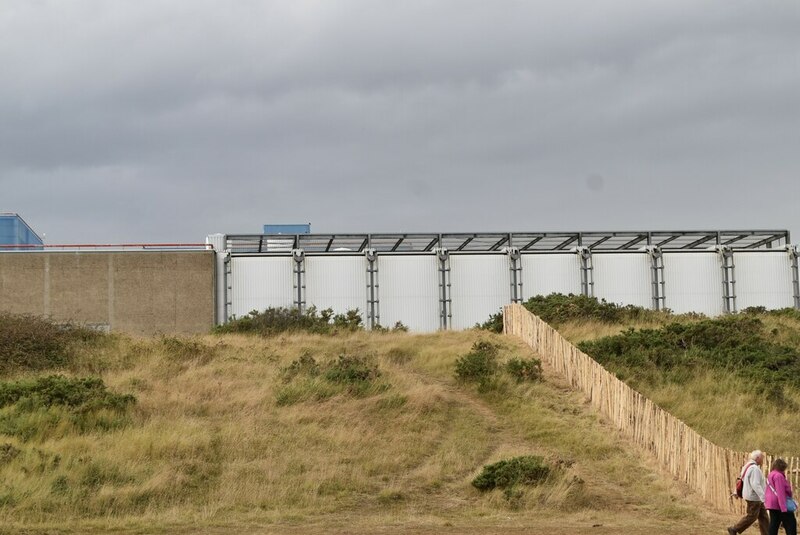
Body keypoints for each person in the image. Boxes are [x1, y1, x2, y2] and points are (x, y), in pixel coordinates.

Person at [729, 450, 769, 535]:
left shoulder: (747, 466)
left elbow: (741, 479)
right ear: (757, 458)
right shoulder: (754, 469)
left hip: (753, 496)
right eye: (762, 458)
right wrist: (763, 497)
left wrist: (736, 491)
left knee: (764, 517)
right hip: (754, 497)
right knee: (752, 516)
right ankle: (734, 529)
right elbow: (755, 484)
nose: (763, 460)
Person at [765, 458, 796, 535]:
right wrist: (784, 508)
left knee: (774, 524)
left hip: (771, 503)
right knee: (791, 524)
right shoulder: (779, 476)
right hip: (779, 504)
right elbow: (780, 492)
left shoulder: (771, 474)